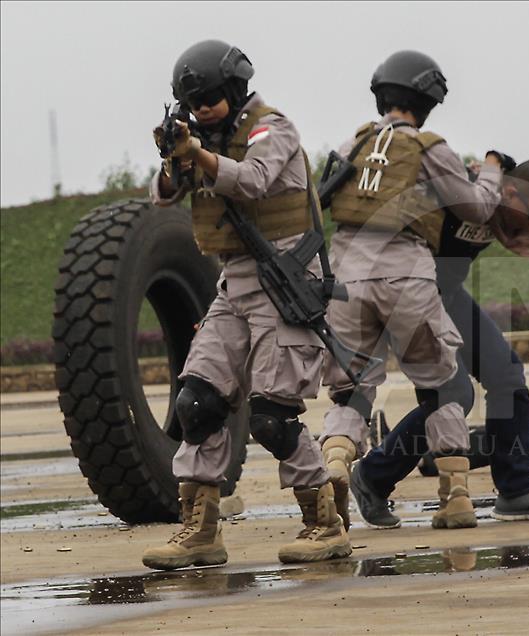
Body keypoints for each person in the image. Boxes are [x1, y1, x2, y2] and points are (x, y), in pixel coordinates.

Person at [142, 40, 348, 570]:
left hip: (284, 283)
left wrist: (199, 155)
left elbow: (252, 180)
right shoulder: (200, 139)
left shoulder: (270, 127)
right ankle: (201, 531)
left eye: (212, 97)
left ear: (233, 89)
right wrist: (174, 157)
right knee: (197, 403)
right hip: (233, 285)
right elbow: (163, 197)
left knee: (273, 419)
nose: (205, 107)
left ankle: (324, 522)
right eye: (195, 101)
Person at [319, 50, 502, 531]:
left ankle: (336, 466)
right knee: (441, 386)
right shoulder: (428, 146)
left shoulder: (353, 143)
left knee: (351, 395)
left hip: (346, 277)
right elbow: (478, 209)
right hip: (407, 276)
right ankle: (456, 496)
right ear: (428, 99)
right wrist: (492, 169)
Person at [349, 158, 529, 528]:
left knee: (506, 374)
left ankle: (516, 491)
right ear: (511, 193)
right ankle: (371, 476)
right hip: (403, 295)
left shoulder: (507, 207)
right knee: (453, 396)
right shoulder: (462, 193)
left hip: (447, 294)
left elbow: (521, 223)